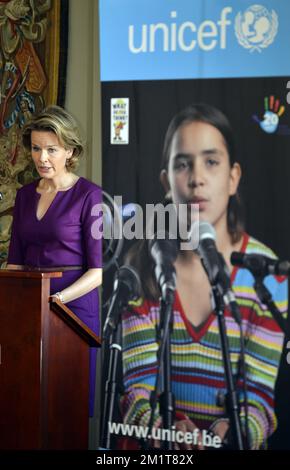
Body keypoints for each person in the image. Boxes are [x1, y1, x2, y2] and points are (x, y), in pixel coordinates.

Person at [120, 104, 287, 449]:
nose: (196, 178)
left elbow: (258, 399)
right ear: (167, 181)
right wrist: (166, 430)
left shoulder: (265, 273)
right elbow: (136, 392)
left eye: (211, 162)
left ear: (233, 177)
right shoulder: (142, 266)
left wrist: (230, 434)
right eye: (183, 164)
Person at [6, 105, 102, 416]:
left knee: (67, 406)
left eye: (52, 149)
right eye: (36, 148)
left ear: (70, 150)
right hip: (29, 310)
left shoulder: (90, 196)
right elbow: (15, 262)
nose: (42, 158)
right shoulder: (23, 196)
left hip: (73, 311)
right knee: (25, 401)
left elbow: (98, 271)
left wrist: (56, 299)